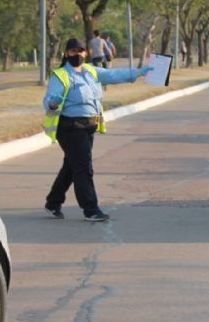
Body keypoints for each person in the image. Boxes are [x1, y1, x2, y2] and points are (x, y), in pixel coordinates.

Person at [42, 38, 153, 221]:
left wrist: (139, 72)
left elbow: (114, 75)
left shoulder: (91, 71)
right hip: (70, 128)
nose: (77, 54)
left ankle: (53, 203)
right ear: (66, 54)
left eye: (80, 51)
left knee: (72, 166)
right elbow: (49, 100)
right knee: (83, 167)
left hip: (88, 127)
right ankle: (90, 209)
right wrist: (53, 103)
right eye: (73, 51)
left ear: (86, 52)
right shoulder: (60, 75)